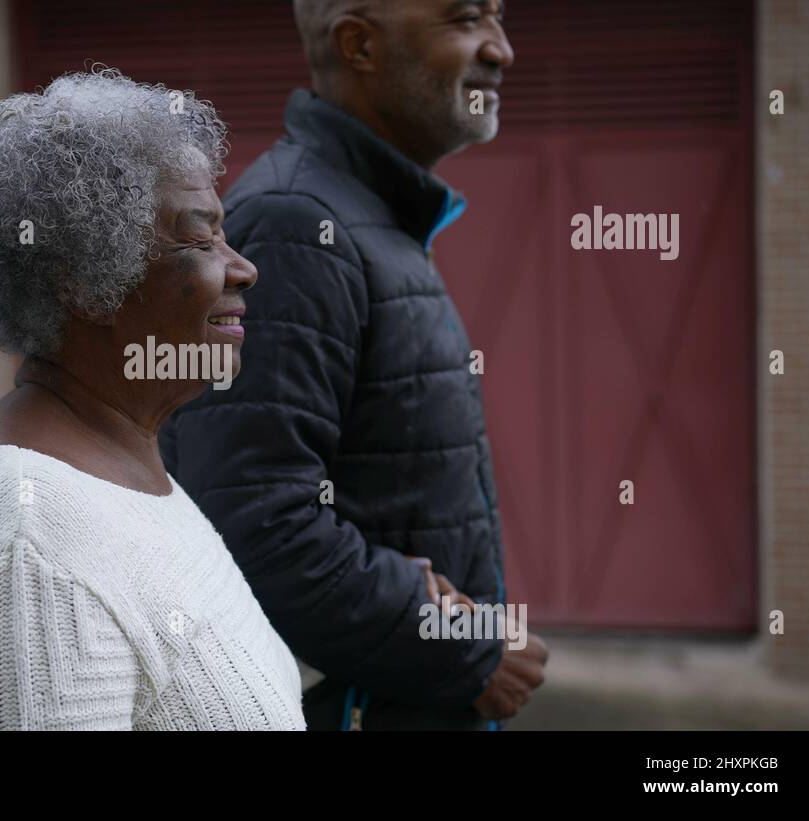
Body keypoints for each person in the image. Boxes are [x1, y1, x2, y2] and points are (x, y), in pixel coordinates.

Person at [160, 0, 547, 730]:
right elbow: (257, 525)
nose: (502, 49)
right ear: (359, 45)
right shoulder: (294, 223)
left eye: (500, 17)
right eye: (467, 18)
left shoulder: (370, 215)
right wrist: (465, 651)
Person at [0, 68, 306, 730]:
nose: (242, 267)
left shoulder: (119, 460)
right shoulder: (27, 544)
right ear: (85, 284)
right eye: (200, 238)